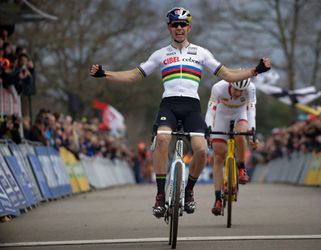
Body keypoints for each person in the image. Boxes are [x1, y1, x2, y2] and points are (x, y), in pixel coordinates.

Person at [90, 7, 271, 219]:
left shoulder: (201, 53)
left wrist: (255, 70)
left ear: (189, 28)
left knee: (201, 150)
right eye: (175, 24)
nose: (179, 28)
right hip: (169, 104)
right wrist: (105, 74)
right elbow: (133, 76)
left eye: (183, 24)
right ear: (169, 27)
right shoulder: (160, 54)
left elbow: (229, 74)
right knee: (163, 139)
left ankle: (189, 190)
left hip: (192, 106)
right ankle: (159, 195)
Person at [205, 78, 259, 215]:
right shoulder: (218, 87)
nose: (238, 93)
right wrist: (208, 129)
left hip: (240, 114)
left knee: (241, 134)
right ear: (230, 84)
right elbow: (210, 110)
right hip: (221, 116)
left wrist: (252, 132)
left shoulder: (251, 88)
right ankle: (217, 198)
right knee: (219, 157)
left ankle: (241, 168)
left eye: (241, 91)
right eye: (236, 90)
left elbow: (251, 110)